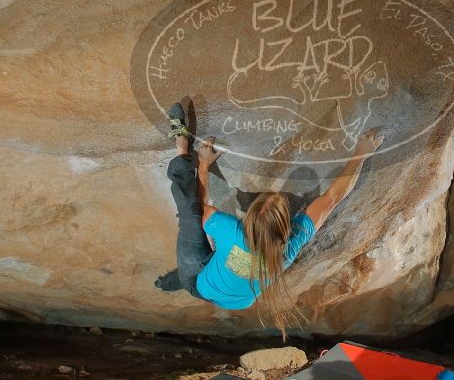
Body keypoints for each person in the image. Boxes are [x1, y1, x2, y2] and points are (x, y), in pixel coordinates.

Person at [156, 102, 384, 337]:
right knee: (205, 259)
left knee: (189, 216)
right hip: (237, 300)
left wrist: (202, 164)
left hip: (199, 283)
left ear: (250, 219)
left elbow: (200, 206)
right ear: (285, 227)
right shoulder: (288, 247)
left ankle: (182, 147)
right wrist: (362, 154)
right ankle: (166, 283)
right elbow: (333, 199)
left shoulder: (232, 230)